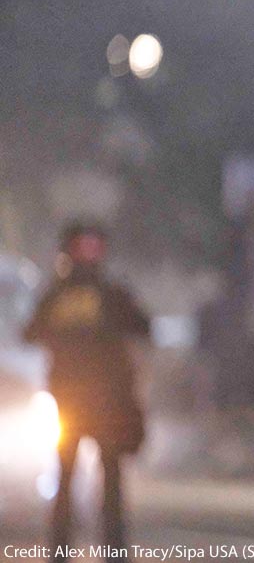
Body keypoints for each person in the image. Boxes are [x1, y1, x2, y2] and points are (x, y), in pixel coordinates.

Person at [23, 222, 150, 558]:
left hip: (101, 403)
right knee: (74, 476)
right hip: (76, 403)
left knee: (103, 477)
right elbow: (30, 332)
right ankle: (73, 547)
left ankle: (102, 548)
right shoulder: (69, 294)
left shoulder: (98, 293)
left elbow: (142, 327)